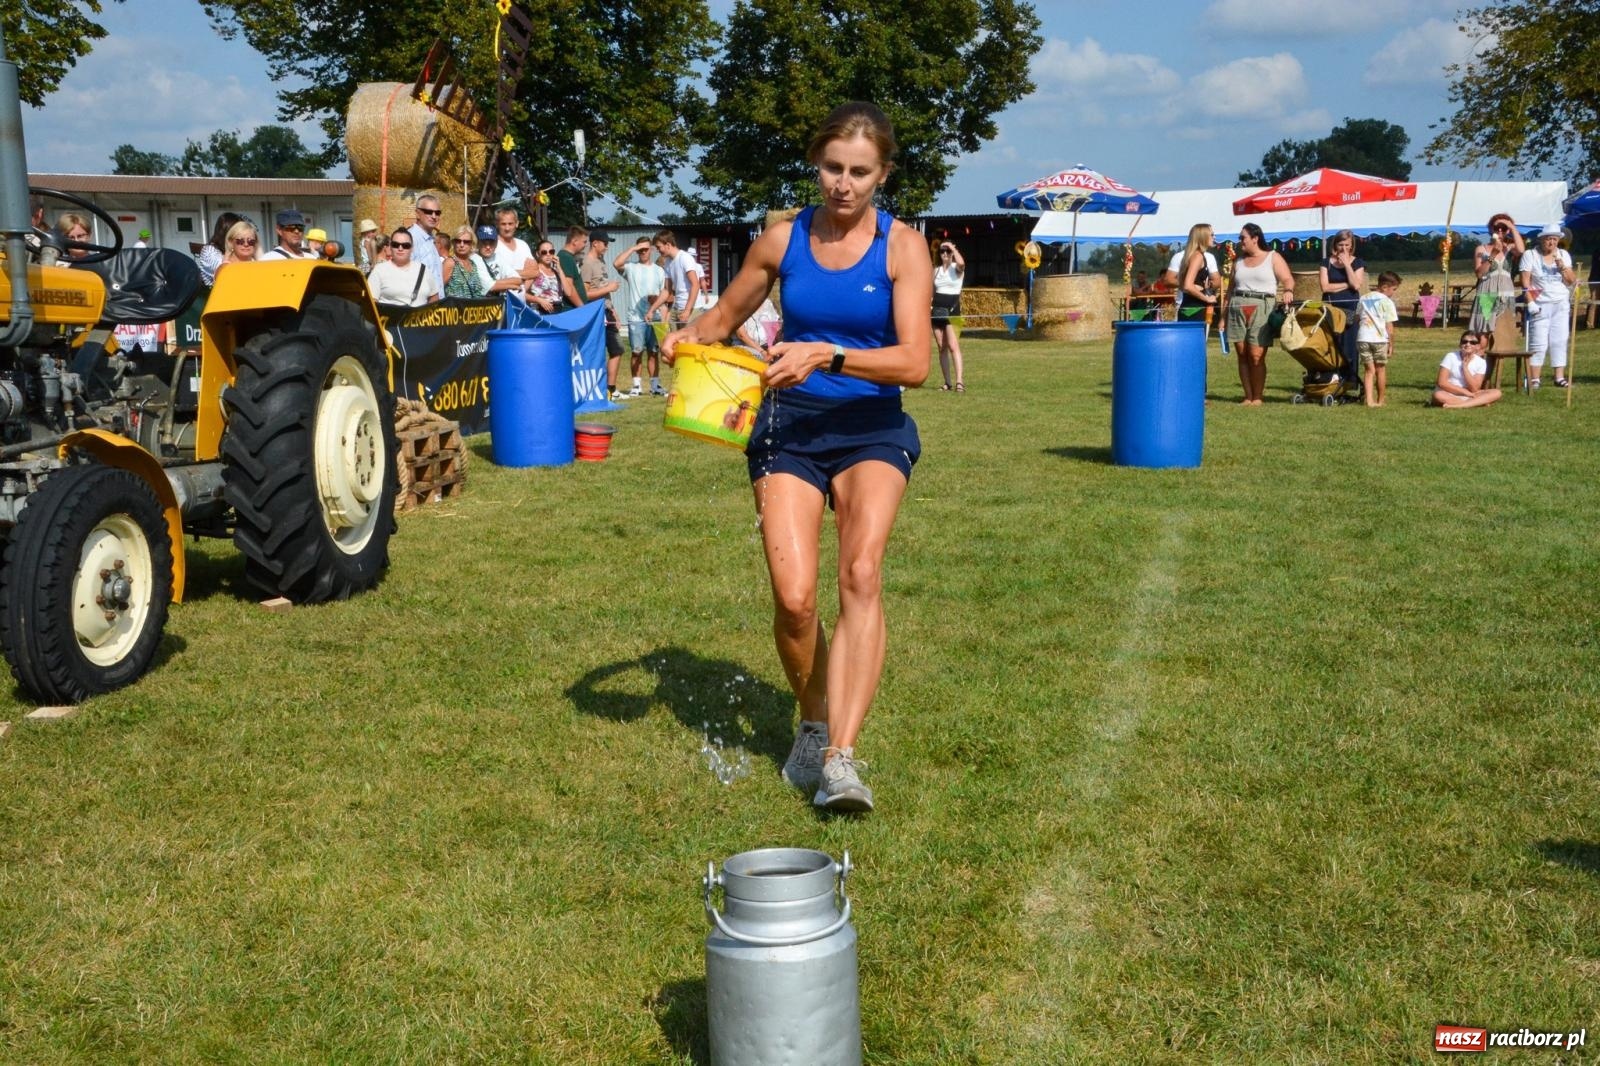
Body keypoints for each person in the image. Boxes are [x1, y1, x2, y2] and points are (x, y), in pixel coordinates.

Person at [661, 101, 931, 813]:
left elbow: (915, 362)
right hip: (788, 427)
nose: (843, 185)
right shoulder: (782, 240)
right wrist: (685, 335)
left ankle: (840, 757)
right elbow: (722, 319)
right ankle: (812, 720)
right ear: (817, 165)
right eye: (833, 168)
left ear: (883, 174)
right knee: (794, 599)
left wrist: (830, 353)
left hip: (872, 427)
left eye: (860, 173)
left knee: (861, 573)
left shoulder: (903, 247)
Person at [1227, 222, 1294, 406]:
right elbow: (1229, 290)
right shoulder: (1238, 262)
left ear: (1255, 239)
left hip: (1263, 306)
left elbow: (1287, 278)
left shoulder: (1273, 257)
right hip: (1237, 306)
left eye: (1243, 238)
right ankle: (1247, 396)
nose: (1240, 241)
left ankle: (1258, 397)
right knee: (1242, 354)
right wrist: (1223, 317)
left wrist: (1288, 290)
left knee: (1256, 355)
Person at [1518, 223, 1576, 388]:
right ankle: (1535, 377)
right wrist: (1530, 301)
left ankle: (1559, 377)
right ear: (1542, 239)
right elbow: (1525, 281)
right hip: (1540, 303)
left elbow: (1571, 280)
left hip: (1560, 303)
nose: (1551, 243)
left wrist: (1562, 266)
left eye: (1554, 239)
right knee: (1539, 341)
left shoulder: (1563, 254)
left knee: (1559, 339)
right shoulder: (1531, 255)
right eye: (1548, 239)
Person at [614, 238, 668, 396]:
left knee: (653, 351)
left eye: (645, 249)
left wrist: (656, 304)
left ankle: (655, 385)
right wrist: (634, 247)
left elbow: (663, 294)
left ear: (651, 250)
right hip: (636, 316)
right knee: (637, 351)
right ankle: (636, 386)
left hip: (655, 316)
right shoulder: (631, 268)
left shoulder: (659, 270)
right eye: (640, 250)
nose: (643, 252)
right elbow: (616, 263)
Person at [579, 230, 628, 400]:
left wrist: (614, 311)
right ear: (595, 243)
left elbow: (604, 292)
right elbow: (584, 294)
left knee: (617, 350)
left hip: (607, 311)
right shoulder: (587, 264)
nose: (607, 247)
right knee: (600, 352)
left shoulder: (601, 261)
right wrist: (609, 288)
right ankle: (601, 389)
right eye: (605, 244)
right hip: (595, 313)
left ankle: (611, 389)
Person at [1318, 229, 1366, 394]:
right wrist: (1346, 284)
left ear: (1351, 246)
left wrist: (1346, 264)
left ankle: (1350, 380)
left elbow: (1357, 284)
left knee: (1349, 344)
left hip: (1350, 309)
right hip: (1331, 308)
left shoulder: (1357, 262)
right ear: (1335, 245)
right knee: (1332, 343)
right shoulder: (1326, 263)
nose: (1344, 248)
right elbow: (1325, 287)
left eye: (1347, 245)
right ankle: (1330, 378)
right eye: (1341, 244)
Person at [1469, 212, 1525, 351]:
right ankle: (1477, 366)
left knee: (1502, 333)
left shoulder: (1510, 247)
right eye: (1496, 228)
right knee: (1483, 335)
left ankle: (1493, 367)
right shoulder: (1481, 249)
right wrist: (1493, 254)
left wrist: (1512, 227)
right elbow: (1479, 273)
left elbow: (1521, 250)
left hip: (1505, 293)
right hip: (1487, 292)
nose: (1500, 231)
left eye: (1503, 228)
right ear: (1491, 229)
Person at [1357, 271, 1402, 407]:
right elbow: (1389, 325)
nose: (1393, 293)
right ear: (1384, 287)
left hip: (1363, 338)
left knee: (1369, 370)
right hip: (1379, 340)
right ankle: (1381, 400)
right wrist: (1391, 344)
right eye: (1393, 289)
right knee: (1380, 369)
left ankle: (1369, 400)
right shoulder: (1387, 302)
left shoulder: (1363, 298)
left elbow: (1357, 317)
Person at [366, 227, 439, 306]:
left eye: (406, 245)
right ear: (390, 247)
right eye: (396, 245)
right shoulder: (379, 270)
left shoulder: (424, 270)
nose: (400, 248)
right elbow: (371, 302)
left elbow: (434, 297)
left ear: (412, 248)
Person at [648, 229, 702, 329]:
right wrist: (652, 309)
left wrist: (687, 310)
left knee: (687, 343)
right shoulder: (668, 262)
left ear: (668, 244)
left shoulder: (685, 258)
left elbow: (695, 285)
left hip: (691, 309)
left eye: (659, 247)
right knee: (672, 341)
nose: (658, 250)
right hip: (677, 308)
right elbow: (666, 290)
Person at [1432, 331, 1501, 408]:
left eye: (1473, 342)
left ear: (1478, 346)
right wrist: (1465, 393)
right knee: (1438, 395)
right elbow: (1442, 383)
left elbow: (1475, 388)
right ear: (1460, 344)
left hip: (1470, 393)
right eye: (1464, 341)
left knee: (1497, 392)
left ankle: (1458, 405)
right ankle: (1476, 403)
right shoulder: (1450, 356)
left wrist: (1465, 368)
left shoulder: (1481, 362)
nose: (1468, 344)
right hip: (1449, 391)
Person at [931, 239, 965, 392]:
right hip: (937, 311)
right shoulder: (936, 270)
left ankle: (959, 382)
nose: (945, 254)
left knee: (953, 346)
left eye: (948, 251)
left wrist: (952, 247)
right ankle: (947, 382)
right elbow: (931, 291)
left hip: (952, 310)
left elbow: (962, 263)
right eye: (942, 251)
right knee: (941, 347)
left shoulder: (956, 268)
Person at [1170, 224, 1218, 323]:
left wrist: (1206, 286)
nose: (1215, 237)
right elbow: (1188, 285)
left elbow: (1185, 284)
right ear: (1203, 237)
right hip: (1194, 308)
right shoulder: (1197, 256)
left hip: (1190, 306)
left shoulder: (1192, 255)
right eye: (1212, 234)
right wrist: (1206, 298)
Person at [408, 193, 447, 295]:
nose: (434, 216)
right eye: (429, 212)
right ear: (417, 213)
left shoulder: (430, 240)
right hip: (421, 306)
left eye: (437, 213)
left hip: (436, 305)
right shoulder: (411, 238)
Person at [473, 224, 525, 294]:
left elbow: (518, 279)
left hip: (496, 302)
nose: (488, 247)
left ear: (496, 243)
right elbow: (490, 287)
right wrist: (511, 285)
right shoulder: (474, 259)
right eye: (484, 243)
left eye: (491, 243)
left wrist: (496, 284)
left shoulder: (497, 257)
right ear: (478, 243)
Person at [195, 211, 243, 286]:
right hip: (215, 294)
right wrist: (229, 250)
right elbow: (225, 273)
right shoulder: (208, 251)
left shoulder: (238, 250)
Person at [492, 206, 535, 280]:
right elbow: (495, 275)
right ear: (497, 224)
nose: (507, 228)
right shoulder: (493, 246)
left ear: (517, 223)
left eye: (510, 224)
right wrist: (525, 273)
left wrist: (508, 273)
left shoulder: (523, 245)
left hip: (523, 290)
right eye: (503, 224)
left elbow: (535, 272)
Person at [444, 225, 487, 299]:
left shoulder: (473, 264)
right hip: (454, 308)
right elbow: (438, 289)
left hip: (474, 309)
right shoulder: (450, 263)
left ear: (472, 244)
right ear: (454, 243)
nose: (461, 245)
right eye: (458, 241)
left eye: (466, 242)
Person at [525, 238, 564, 313]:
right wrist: (539, 300)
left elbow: (568, 292)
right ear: (537, 254)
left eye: (551, 252)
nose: (548, 254)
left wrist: (560, 269)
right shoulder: (535, 271)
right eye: (544, 252)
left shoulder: (556, 271)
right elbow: (521, 293)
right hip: (540, 313)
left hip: (557, 311)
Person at [556, 225, 589, 311]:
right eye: (584, 242)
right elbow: (569, 287)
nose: (585, 245)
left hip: (575, 309)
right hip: (572, 310)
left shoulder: (570, 257)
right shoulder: (565, 257)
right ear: (574, 241)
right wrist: (582, 308)